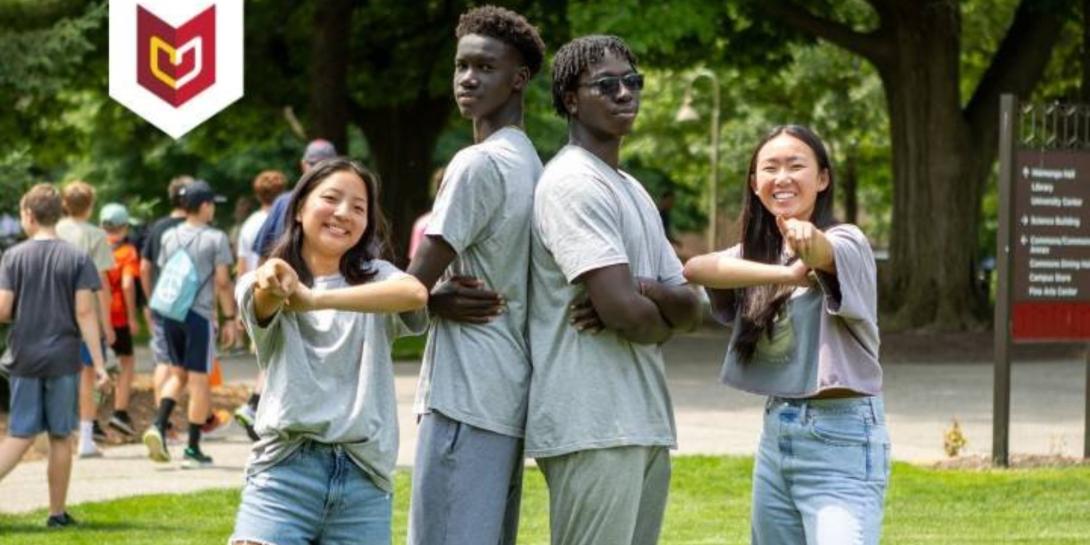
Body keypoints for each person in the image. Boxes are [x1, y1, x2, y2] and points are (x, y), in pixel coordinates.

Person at [526, 35, 701, 545]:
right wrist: (645, 305)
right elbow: (625, 313)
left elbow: (693, 307)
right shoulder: (573, 183)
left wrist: (646, 291)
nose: (625, 93)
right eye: (606, 84)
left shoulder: (632, 189)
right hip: (593, 423)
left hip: (642, 421)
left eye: (632, 82)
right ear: (570, 100)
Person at [682, 125, 889, 544]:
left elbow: (821, 252)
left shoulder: (847, 239)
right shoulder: (761, 253)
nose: (783, 177)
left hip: (842, 438)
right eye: (770, 168)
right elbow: (697, 268)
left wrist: (807, 242)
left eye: (797, 166)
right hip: (778, 433)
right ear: (755, 184)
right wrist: (787, 273)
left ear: (823, 178)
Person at [229, 159, 428, 545]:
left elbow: (415, 294)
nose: (343, 213)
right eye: (331, 199)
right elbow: (266, 296)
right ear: (299, 208)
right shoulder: (260, 279)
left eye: (358, 207)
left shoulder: (379, 277)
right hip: (284, 474)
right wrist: (276, 279)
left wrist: (314, 300)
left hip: (364, 480)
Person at [405, 7, 545, 545]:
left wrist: (430, 301)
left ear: (519, 78)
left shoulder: (476, 163)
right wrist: (434, 299)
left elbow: (410, 289)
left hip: (464, 393)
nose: (468, 78)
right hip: (508, 392)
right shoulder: (531, 160)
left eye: (485, 67)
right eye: (462, 66)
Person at [0, 184, 109, 528]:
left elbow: (3, 310)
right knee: (61, 435)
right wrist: (101, 364)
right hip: (63, 358)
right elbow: (86, 313)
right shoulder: (77, 257)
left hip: (24, 357)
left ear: (29, 216)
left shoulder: (13, 257)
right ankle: (57, 514)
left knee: (20, 434)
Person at [233, 143, 338, 438]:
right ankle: (263, 409)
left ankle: (258, 406)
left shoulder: (284, 201)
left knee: (277, 352)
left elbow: (263, 254)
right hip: (309, 289)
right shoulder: (335, 204)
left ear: (304, 165)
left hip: (281, 289)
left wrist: (256, 295)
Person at [142, 180, 238, 468]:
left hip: (171, 313)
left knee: (177, 374)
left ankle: (158, 425)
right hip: (198, 315)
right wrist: (230, 317)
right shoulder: (216, 238)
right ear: (205, 206)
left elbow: (163, 269)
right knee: (198, 380)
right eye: (212, 205)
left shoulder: (170, 235)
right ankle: (193, 450)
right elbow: (222, 281)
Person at [56, 180, 116, 458]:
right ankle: (86, 438)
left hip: (55, 312)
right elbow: (101, 281)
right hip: (87, 314)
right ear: (90, 206)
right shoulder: (95, 236)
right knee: (88, 377)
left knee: (60, 376)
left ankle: (59, 433)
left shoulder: (55, 230)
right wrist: (107, 323)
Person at [140, 176, 193, 408]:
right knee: (195, 365)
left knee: (163, 360)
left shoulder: (158, 228)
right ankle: (200, 419)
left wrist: (151, 298)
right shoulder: (198, 227)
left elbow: (144, 267)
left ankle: (161, 424)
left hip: (164, 302)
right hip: (192, 304)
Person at [100, 203, 141, 437]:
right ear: (124, 227)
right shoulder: (127, 252)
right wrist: (132, 316)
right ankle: (119, 412)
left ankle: (91, 419)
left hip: (96, 316)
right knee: (126, 362)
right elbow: (127, 285)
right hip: (117, 315)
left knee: (96, 368)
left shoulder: (95, 247)